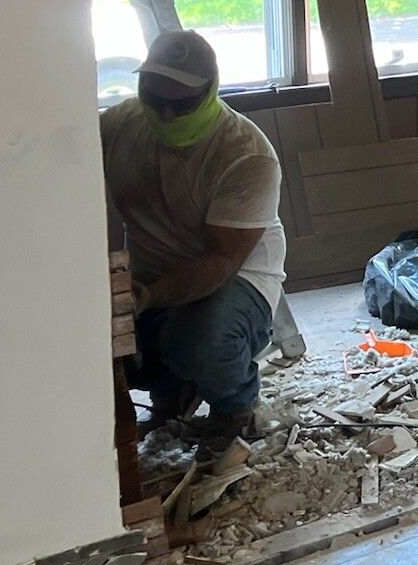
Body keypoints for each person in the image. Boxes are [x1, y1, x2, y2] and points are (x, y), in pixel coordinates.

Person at [102, 29, 286, 454]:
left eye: (181, 105)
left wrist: (149, 295)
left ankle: (234, 405)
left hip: (235, 279)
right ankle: (175, 389)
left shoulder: (246, 155)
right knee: (119, 349)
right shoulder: (120, 125)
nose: (165, 116)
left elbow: (220, 260)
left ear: (210, 92)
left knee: (203, 342)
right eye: (154, 100)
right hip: (152, 273)